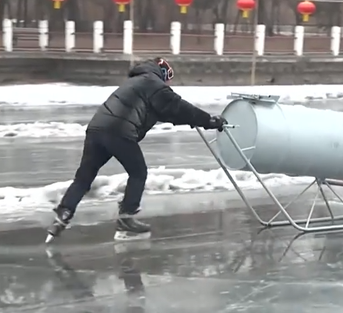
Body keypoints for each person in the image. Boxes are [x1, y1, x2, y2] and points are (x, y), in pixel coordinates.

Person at [46, 57, 226, 242]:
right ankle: (126, 218)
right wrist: (209, 120)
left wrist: (197, 120)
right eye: (168, 77)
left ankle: (63, 214)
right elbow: (177, 107)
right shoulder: (153, 83)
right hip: (119, 131)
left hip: (96, 130)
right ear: (163, 72)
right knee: (138, 172)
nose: (168, 82)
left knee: (84, 177)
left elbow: (166, 112)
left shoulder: (136, 81)